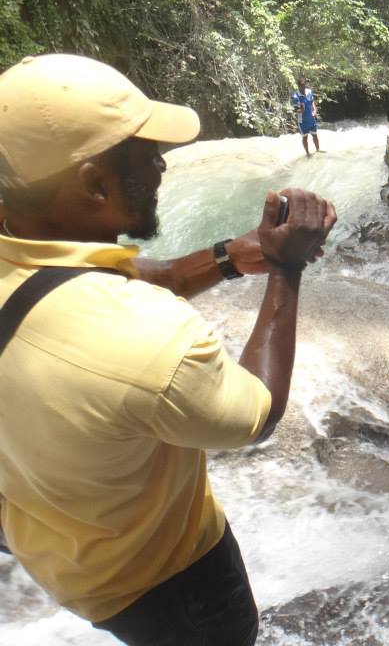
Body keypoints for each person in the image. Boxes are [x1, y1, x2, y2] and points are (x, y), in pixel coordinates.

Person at [0, 54, 336, 645]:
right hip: (171, 583)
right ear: (92, 185)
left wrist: (232, 255)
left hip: (59, 552)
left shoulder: (28, 249)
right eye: (142, 154)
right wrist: (286, 268)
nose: (160, 164)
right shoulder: (143, 336)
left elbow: (134, 276)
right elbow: (256, 414)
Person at [291, 75, 320, 157]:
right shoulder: (295, 96)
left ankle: (318, 150)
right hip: (302, 120)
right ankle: (308, 154)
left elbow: (312, 102)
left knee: (315, 135)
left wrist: (315, 109)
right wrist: (301, 110)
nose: (303, 88)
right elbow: (296, 111)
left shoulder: (309, 91)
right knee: (305, 137)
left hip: (311, 118)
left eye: (305, 86)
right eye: (302, 86)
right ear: (298, 86)